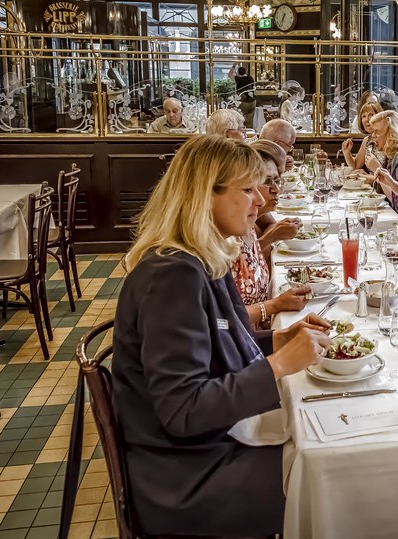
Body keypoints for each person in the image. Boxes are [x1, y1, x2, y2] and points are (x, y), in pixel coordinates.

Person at [112, 135, 332, 536]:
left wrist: (275, 342)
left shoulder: (199, 257)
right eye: (247, 190)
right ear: (203, 196)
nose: (260, 201)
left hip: (204, 450)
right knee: (332, 472)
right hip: (187, 477)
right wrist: (278, 365)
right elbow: (183, 412)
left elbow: (216, 338)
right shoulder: (171, 276)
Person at [232, 140, 308, 329]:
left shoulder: (246, 227)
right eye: (266, 182)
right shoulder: (223, 239)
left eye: (278, 179)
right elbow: (222, 322)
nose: (277, 189)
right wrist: (275, 305)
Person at [365, 110, 398, 217]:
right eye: (373, 132)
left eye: (377, 132)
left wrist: (377, 168)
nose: (373, 136)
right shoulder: (390, 157)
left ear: (391, 133)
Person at [341, 100, 383, 172]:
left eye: (371, 115)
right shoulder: (367, 140)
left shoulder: (386, 138)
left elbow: (390, 177)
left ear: (380, 117)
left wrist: (367, 177)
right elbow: (355, 166)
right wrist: (347, 152)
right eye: (364, 116)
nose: (366, 119)